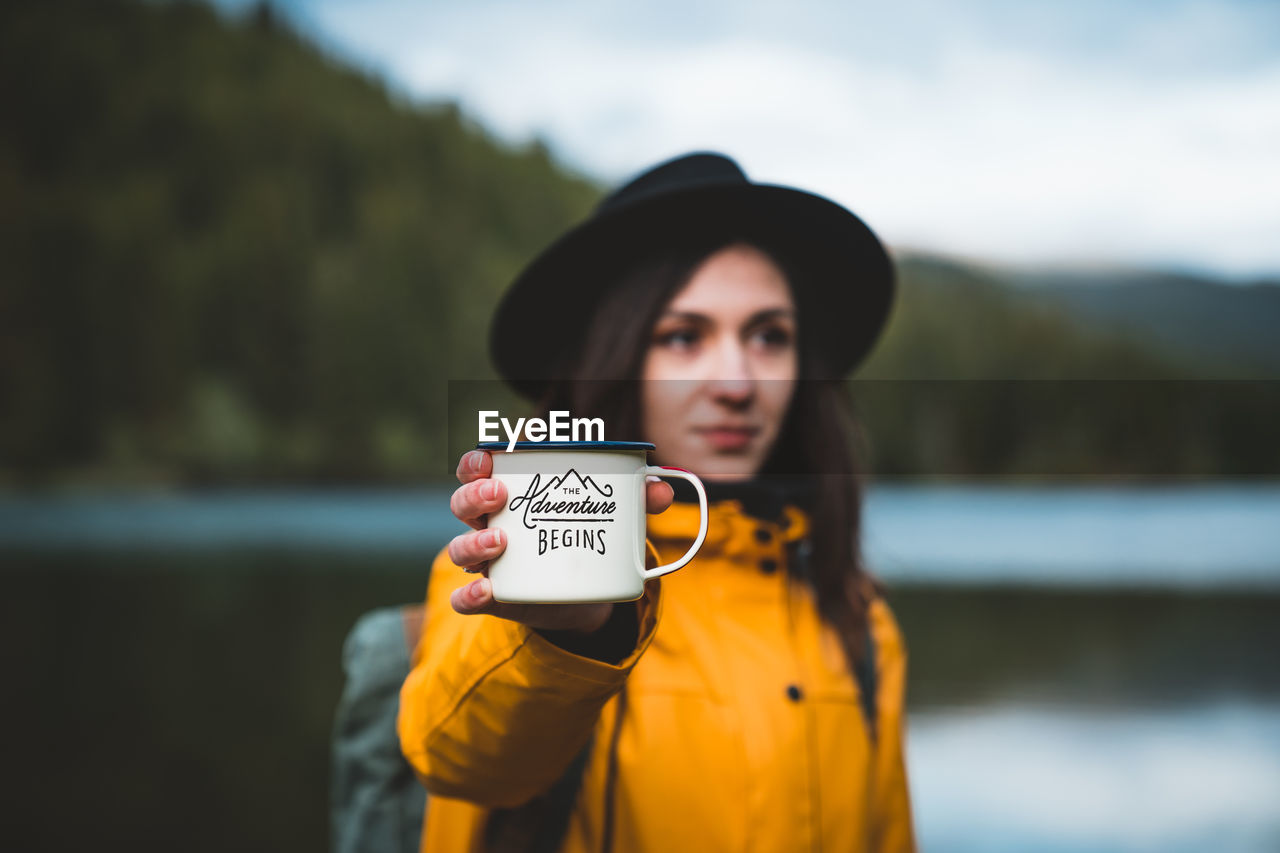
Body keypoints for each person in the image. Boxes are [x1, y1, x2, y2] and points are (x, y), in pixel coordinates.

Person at [398, 152, 915, 852]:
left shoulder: (860, 623)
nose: (736, 380)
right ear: (614, 360)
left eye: (769, 336)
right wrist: (568, 632)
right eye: (682, 336)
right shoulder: (506, 570)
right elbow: (459, 754)